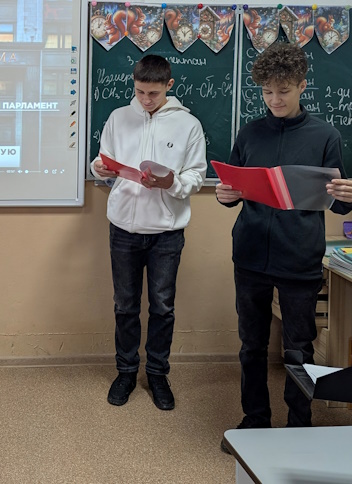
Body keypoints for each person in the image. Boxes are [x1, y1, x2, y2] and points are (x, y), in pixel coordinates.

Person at [216, 42, 352, 451]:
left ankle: (298, 427)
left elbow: (338, 202)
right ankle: (255, 420)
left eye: (284, 91)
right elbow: (234, 188)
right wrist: (226, 195)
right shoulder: (249, 133)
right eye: (267, 92)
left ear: (302, 86)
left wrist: (348, 195)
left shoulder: (325, 135)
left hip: (300, 257)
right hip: (251, 254)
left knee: (298, 348)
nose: (274, 99)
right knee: (251, 345)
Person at [91, 54, 206, 411]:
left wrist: (171, 183)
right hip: (123, 228)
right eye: (140, 91)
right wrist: (98, 168)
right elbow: (104, 162)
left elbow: (197, 175)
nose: (145, 99)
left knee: (162, 307)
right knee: (125, 306)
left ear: (169, 86)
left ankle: (157, 374)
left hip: (166, 233)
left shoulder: (188, 125)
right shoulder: (118, 117)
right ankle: (126, 372)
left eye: (153, 93)